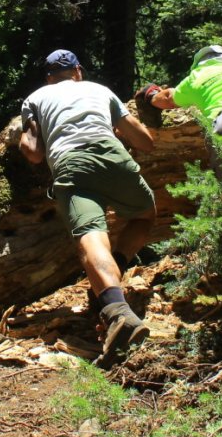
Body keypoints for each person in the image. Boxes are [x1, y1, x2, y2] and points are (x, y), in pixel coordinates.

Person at [18, 49, 156, 364]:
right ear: (77, 71)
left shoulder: (36, 98)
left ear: (49, 78)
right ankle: (113, 273)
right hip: (113, 156)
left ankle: (117, 312)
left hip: (70, 164)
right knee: (145, 215)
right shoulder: (100, 91)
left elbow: (33, 151)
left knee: (90, 236)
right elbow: (145, 141)